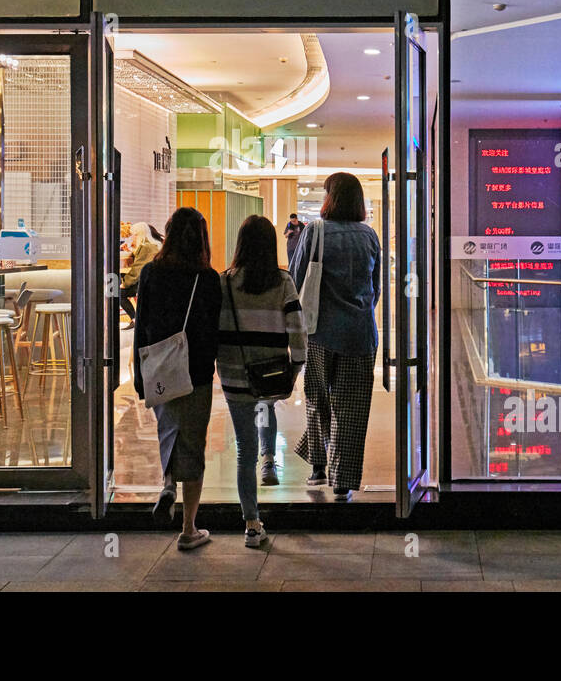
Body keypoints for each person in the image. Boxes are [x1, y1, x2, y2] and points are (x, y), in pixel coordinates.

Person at [132, 207, 221, 550]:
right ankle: (189, 529)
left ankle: (168, 484)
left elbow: (141, 325)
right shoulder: (208, 278)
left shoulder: (151, 273)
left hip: (159, 368)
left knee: (169, 430)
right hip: (196, 371)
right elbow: (214, 331)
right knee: (193, 442)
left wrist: (140, 376)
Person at [288, 172, 380, 502]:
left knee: (317, 397)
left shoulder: (314, 231)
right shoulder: (369, 235)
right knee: (352, 408)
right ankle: (342, 480)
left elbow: (297, 279)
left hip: (319, 332)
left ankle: (317, 464)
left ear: (330, 198)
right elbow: (376, 289)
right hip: (360, 334)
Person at [218, 215, 307, 547]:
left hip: (233, 374)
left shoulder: (224, 282)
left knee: (244, 449)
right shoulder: (283, 281)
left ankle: (252, 523)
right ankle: (269, 459)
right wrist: (295, 367)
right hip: (269, 371)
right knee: (265, 407)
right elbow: (298, 330)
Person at [119, 222, 159, 329]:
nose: (132, 237)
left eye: (133, 235)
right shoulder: (151, 246)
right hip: (150, 283)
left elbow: (137, 269)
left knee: (118, 293)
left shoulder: (146, 248)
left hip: (145, 284)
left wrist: (125, 283)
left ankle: (135, 319)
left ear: (138, 234)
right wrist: (131, 250)